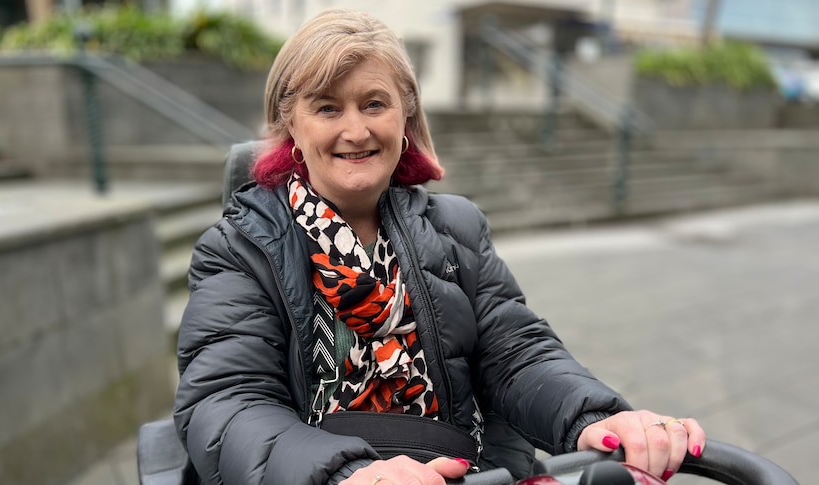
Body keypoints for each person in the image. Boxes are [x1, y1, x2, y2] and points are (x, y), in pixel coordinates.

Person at [173, 9, 705, 485]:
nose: (355, 130)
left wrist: (596, 419)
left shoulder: (458, 227)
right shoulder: (239, 248)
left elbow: (517, 354)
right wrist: (348, 474)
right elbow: (227, 402)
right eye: (328, 108)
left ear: (405, 115)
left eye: (374, 103)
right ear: (291, 123)